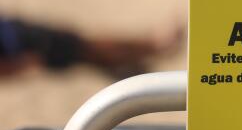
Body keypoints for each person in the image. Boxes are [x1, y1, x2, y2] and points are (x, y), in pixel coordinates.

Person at [0, 14, 183, 78]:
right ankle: (153, 47)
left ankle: (136, 65)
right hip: (18, 46)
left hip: (13, 35)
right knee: (85, 49)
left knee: (86, 51)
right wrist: (17, 66)